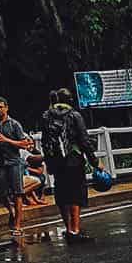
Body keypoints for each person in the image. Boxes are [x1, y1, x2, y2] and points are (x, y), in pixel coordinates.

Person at [40, 86, 100, 243]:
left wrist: (50, 162)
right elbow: (84, 141)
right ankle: (75, 230)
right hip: (73, 160)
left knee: (62, 195)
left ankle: (68, 229)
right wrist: (95, 162)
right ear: (70, 100)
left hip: (57, 161)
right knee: (75, 195)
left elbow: (45, 142)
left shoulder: (47, 116)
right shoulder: (74, 115)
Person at [0, 96, 32, 237]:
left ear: (6, 107)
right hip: (0, 162)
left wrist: (6, 140)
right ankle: (11, 211)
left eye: (1, 107)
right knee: (1, 192)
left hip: (14, 162)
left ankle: (18, 225)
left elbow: (25, 143)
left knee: (18, 193)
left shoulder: (14, 125)